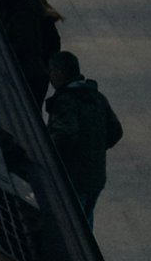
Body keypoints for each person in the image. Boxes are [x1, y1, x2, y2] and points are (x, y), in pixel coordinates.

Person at [46, 50, 122, 228]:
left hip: (73, 176)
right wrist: (94, 147)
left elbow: (64, 135)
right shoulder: (96, 97)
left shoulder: (65, 101)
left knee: (74, 225)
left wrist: (47, 152)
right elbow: (116, 131)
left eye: (51, 71)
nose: (49, 76)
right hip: (95, 175)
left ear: (60, 72)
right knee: (86, 222)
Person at [0, 0, 63, 109]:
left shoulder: (20, 19)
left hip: (26, 76)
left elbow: (20, 47)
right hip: (38, 75)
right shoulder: (34, 15)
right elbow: (54, 45)